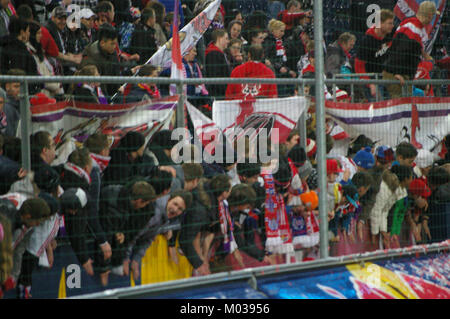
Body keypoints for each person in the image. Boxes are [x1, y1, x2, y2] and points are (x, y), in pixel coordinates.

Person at [97, 179, 155, 285]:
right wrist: (104, 269)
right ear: (139, 200)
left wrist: (121, 233)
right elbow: (106, 236)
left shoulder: (122, 196)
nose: (146, 206)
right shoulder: (115, 210)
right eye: (145, 203)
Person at [382, 1, 437, 98]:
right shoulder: (413, 28)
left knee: (406, 106)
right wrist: (396, 73)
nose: (432, 19)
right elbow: (400, 52)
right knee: (402, 108)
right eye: (433, 16)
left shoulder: (413, 26)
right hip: (398, 76)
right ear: (429, 15)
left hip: (402, 76)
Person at [354, 9, 395, 101]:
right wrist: (370, 83)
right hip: (371, 79)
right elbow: (358, 66)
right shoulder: (367, 41)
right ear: (380, 23)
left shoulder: (391, 34)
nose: (392, 26)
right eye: (389, 23)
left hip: (385, 77)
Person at [370, 164, 411, 249]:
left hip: (377, 218)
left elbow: (385, 211)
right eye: (411, 178)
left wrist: (384, 231)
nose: (412, 180)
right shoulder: (385, 189)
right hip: (371, 217)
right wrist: (374, 233)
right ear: (405, 179)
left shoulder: (398, 190)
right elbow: (376, 210)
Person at [264, 19, 296, 96]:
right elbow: (268, 58)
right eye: (281, 31)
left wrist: (287, 69)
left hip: (283, 70)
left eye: (283, 31)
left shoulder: (283, 42)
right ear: (273, 31)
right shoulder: (269, 42)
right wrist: (279, 67)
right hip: (276, 71)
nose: (283, 33)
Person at [204, 28, 231, 99]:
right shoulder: (213, 54)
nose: (228, 41)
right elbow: (215, 77)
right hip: (218, 95)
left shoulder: (221, 54)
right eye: (226, 38)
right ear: (219, 38)